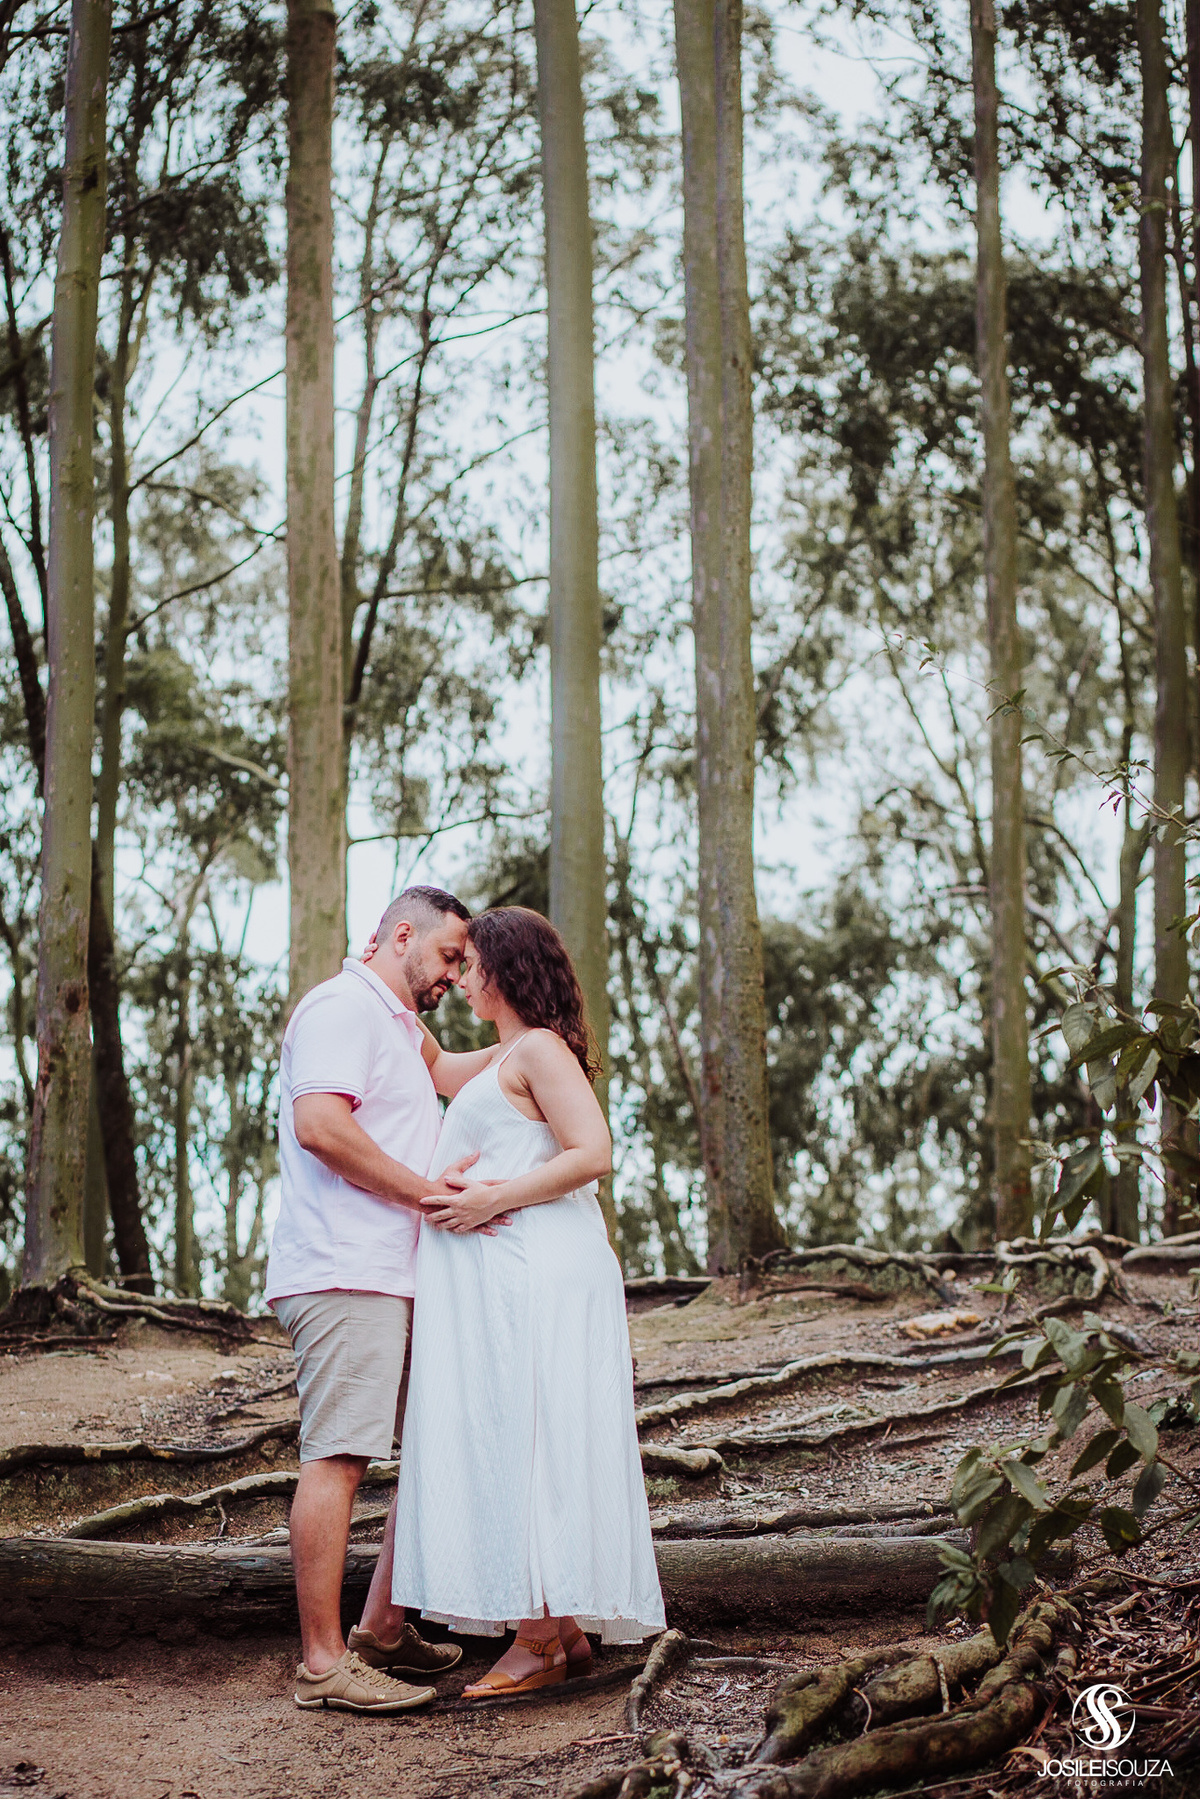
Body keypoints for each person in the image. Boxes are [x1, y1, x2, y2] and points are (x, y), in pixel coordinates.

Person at [391, 906, 665, 1694]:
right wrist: (374, 975)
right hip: (508, 1281)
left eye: (472, 964)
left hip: (539, 1271)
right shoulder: (506, 1053)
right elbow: (434, 1064)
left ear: (506, 970)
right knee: (520, 1433)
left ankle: (539, 1637)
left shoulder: (540, 1048)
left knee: (534, 1437)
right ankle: (563, 1629)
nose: (461, 977)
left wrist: (491, 1197)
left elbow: (594, 1150)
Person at [265, 885, 505, 1714]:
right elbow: (320, 1126)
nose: (454, 975)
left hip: (397, 1277)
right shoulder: (342, 1007)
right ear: (402, 934)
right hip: (345, 1270)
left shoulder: (401, 1025)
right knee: (339, 1454)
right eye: (448, 956)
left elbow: (455, 1072)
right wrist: (426, 1193)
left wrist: (535, 1037)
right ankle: (323, 1662)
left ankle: (381, 1627)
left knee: (435, 1446)